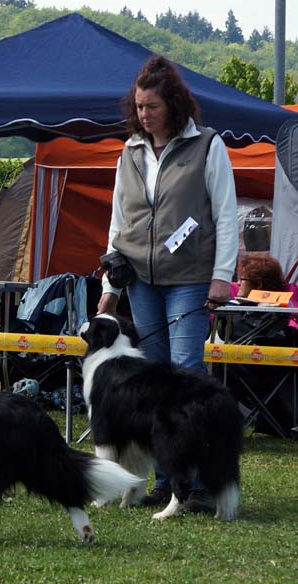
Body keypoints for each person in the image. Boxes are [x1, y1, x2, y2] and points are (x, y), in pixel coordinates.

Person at [96, 55, 238, 514]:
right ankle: (167, 481)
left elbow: (227, 215)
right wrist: (110, 286)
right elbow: (120, 221)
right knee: (149, 387)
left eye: (151, 106)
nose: (143, 114)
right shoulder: (129, 152)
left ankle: (195, 483)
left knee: (185, 373)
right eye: (138, 106)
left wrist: (221, 277)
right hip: (139, 277)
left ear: (173, 104)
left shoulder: (207, 146)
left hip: (190, 278)